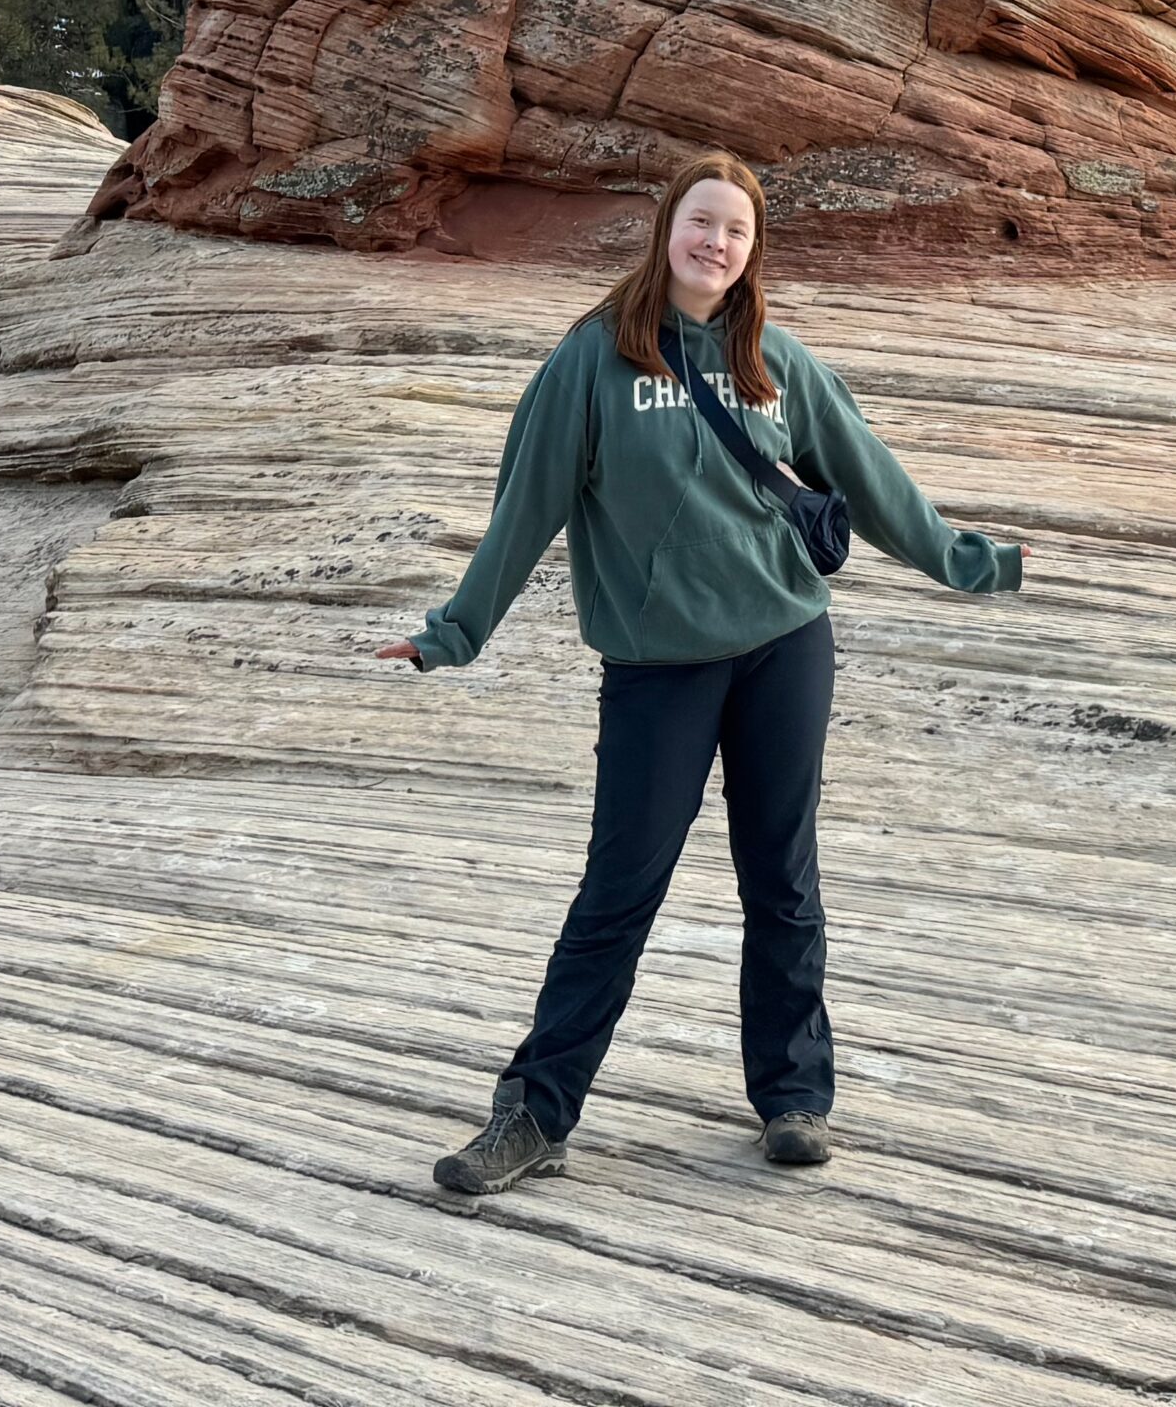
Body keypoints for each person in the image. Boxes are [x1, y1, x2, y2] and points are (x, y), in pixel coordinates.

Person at [380, 150, 1029, 1196]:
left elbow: (868, 479)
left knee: (781, 878)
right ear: (665, 230)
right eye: (699, 222)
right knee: (617, 892)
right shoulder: (592, 360)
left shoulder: (774, 357)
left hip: (784, 647)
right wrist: (454, 632)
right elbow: (525, 509)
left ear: (752, 246)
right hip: (657, 667)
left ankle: (792, 1098)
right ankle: (535, 1113)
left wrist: (969, 561)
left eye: (734, 228)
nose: (715, 242)